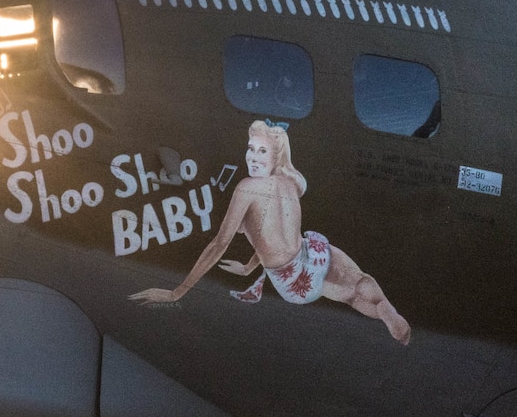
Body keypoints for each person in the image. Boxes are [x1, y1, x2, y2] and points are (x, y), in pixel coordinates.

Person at [128, 120, 411, 345]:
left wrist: (178, 292)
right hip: (310, 250)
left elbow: (219, 244)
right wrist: (250, 267)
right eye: (251, 148)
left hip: (294, 278)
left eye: (261, 151)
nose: (253, 156)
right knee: (361, 283)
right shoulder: (289, 184)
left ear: (275, 156)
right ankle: (389, 314)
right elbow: (266, 234)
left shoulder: (247, 188)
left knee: (351, 296)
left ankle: (388, 317)